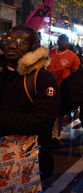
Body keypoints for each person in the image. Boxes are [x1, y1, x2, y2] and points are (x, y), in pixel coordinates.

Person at [0, 26, 60, 183]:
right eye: (9, 40)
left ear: (33, 48)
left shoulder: (43, 78)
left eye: (20, 42)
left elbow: (43, 120)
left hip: (25, 158)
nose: (12, 45)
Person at [48, 34, 80, 148]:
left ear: (68, 43)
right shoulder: (50, 53)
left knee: (59, 113)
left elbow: (75, 75)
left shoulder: (73, 57)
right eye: (60, 40)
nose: (62, 43)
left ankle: (56, 135)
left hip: (62, 88)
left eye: (64, 41)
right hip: (47, 88)